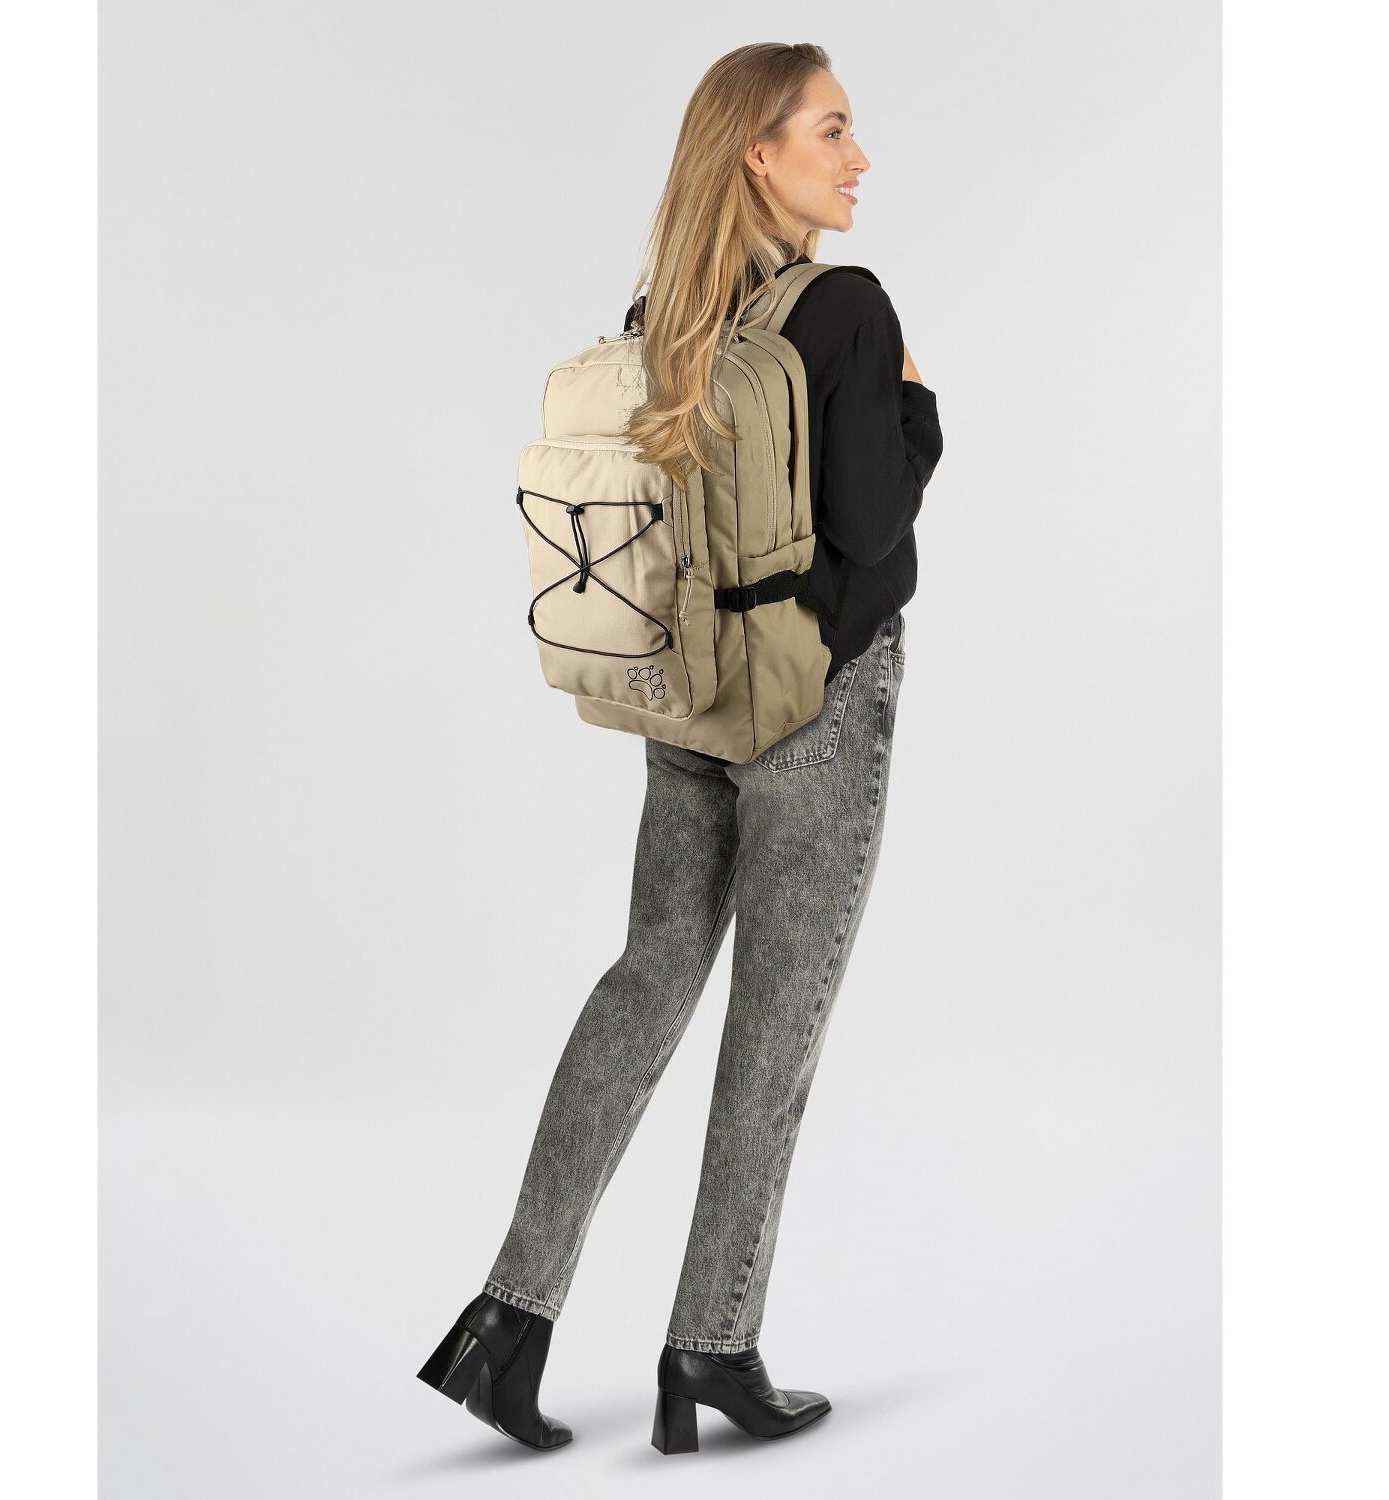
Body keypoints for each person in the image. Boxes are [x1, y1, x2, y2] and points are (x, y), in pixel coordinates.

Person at [418, 42, 943, 1454]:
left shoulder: (668, 308)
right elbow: (871, 522)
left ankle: (504, 1323)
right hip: (816, 703)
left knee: (646, 977)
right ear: (760, 154)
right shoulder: (846, 310)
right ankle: (712, 1348)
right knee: (775, 1026)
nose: (858, 158)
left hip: (688, 696)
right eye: (832, 130)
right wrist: (918, 403)